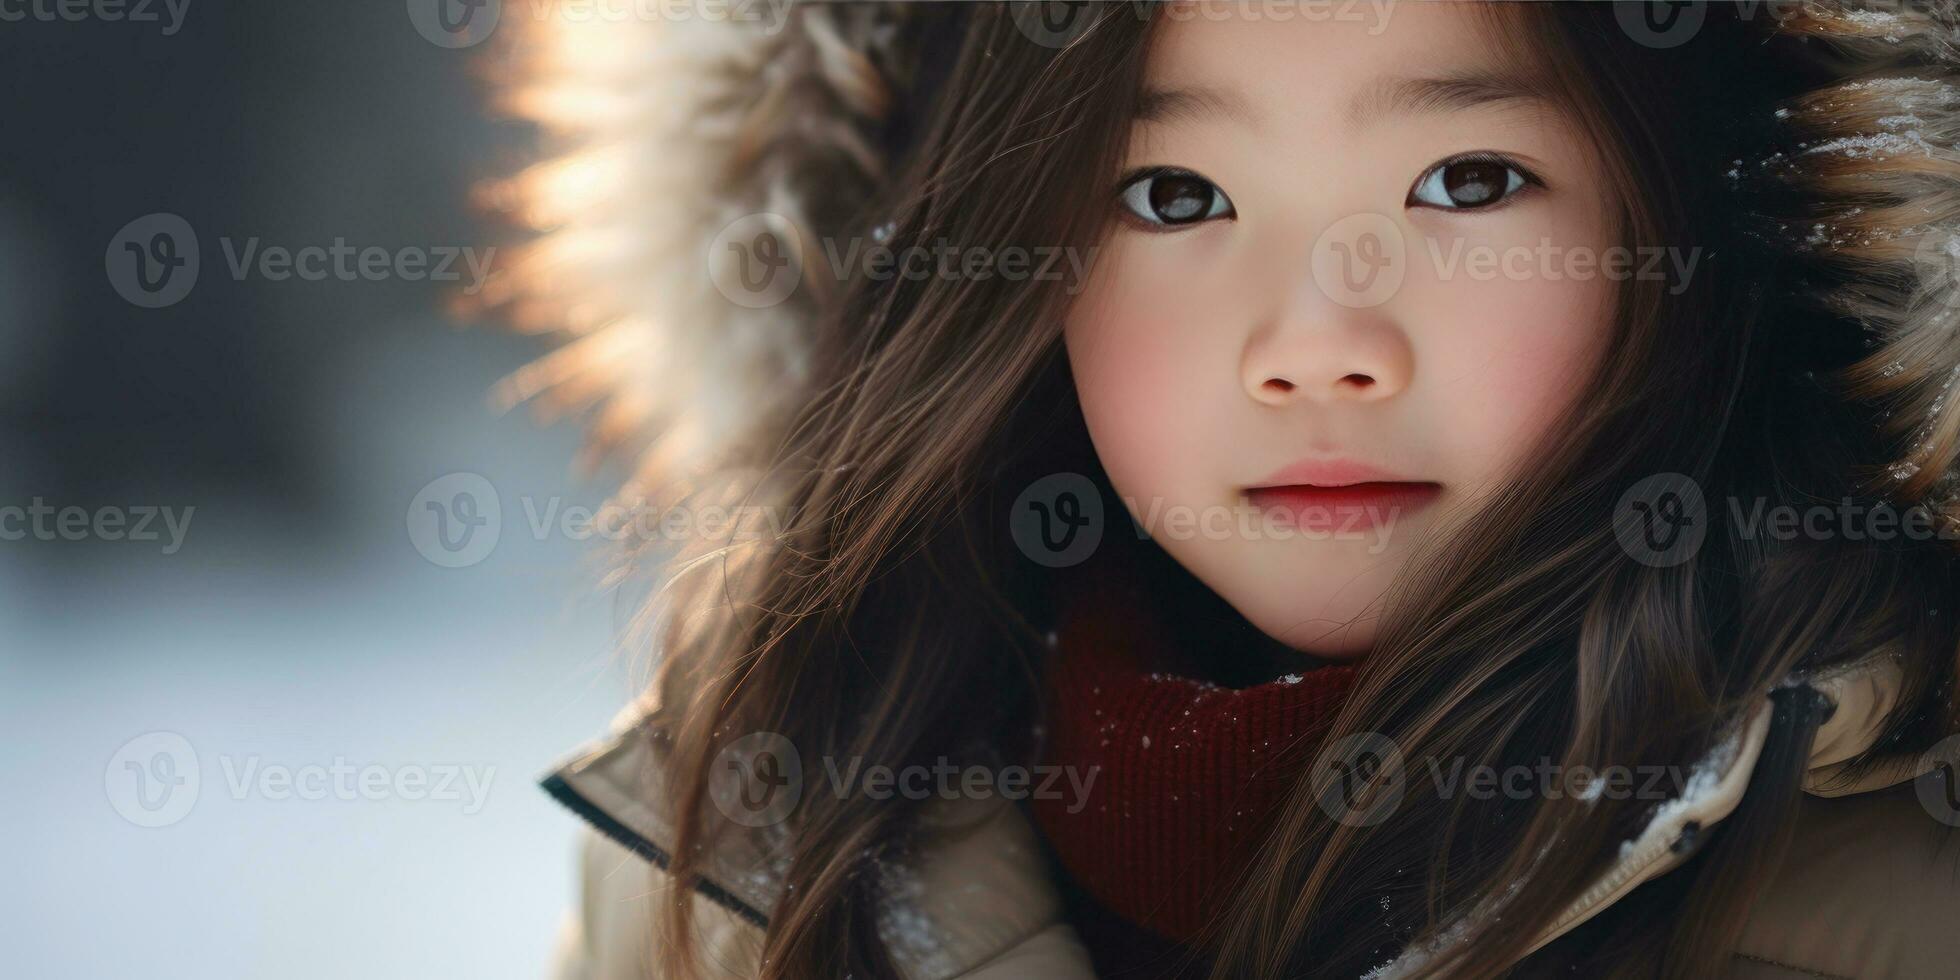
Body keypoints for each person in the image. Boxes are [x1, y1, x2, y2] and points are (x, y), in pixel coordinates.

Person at [491, 2, 1960, 977]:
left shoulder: (1903, 867)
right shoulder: (751, 845)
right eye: (1175, 197)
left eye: (1464, 181)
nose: (1318, 348)